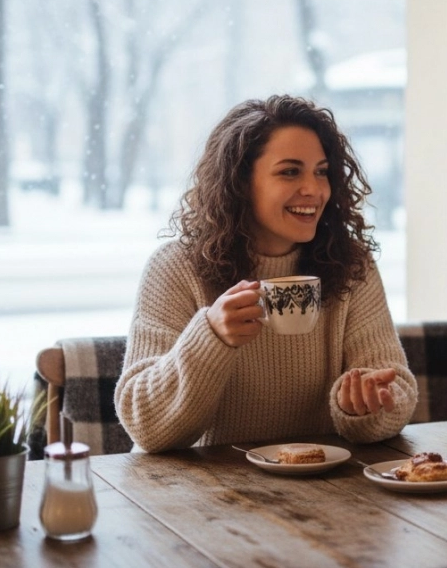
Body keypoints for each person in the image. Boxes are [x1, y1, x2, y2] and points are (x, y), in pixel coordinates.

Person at [115, 95, 416, 452]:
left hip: (321, 491)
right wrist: (210, 336)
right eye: (290, 171)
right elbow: (146, 428)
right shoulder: (176, 268)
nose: (314, 189)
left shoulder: (352, 265)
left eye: (321, 171)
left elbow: (395, 389)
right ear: (240, 183)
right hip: (201, 496)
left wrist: (362, 407)